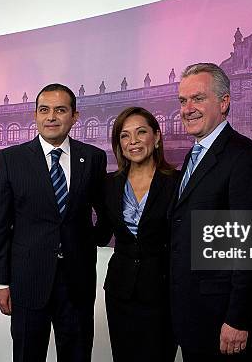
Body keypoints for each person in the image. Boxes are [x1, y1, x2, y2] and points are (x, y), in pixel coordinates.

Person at [0, 83, 107, 362]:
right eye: (44, 110)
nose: (51, 116)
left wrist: (88, 241)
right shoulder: (9, 160)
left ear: (74, 116)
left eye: (60, 110)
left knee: (77, 355)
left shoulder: (92, 158)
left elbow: (105, 211)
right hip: (28, 281)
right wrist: (1, 282)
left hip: (77, 281)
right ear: (35, 115)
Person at [169, 63, 252, 361]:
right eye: (182, 101)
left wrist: (238, 320)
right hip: (197, 320)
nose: (187, 109)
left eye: (198, 98)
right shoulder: (194, 155)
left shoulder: (244, 157)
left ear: (224, 102)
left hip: (228, 325)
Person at [97, 106, 179, 362]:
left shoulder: (176, 182)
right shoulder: (109, 184)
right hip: (120, 291)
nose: (132, 141)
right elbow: (101, 234)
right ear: (119, 144)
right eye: (124, 135)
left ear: (156, 138)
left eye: (140, 132)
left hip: (163, 292)